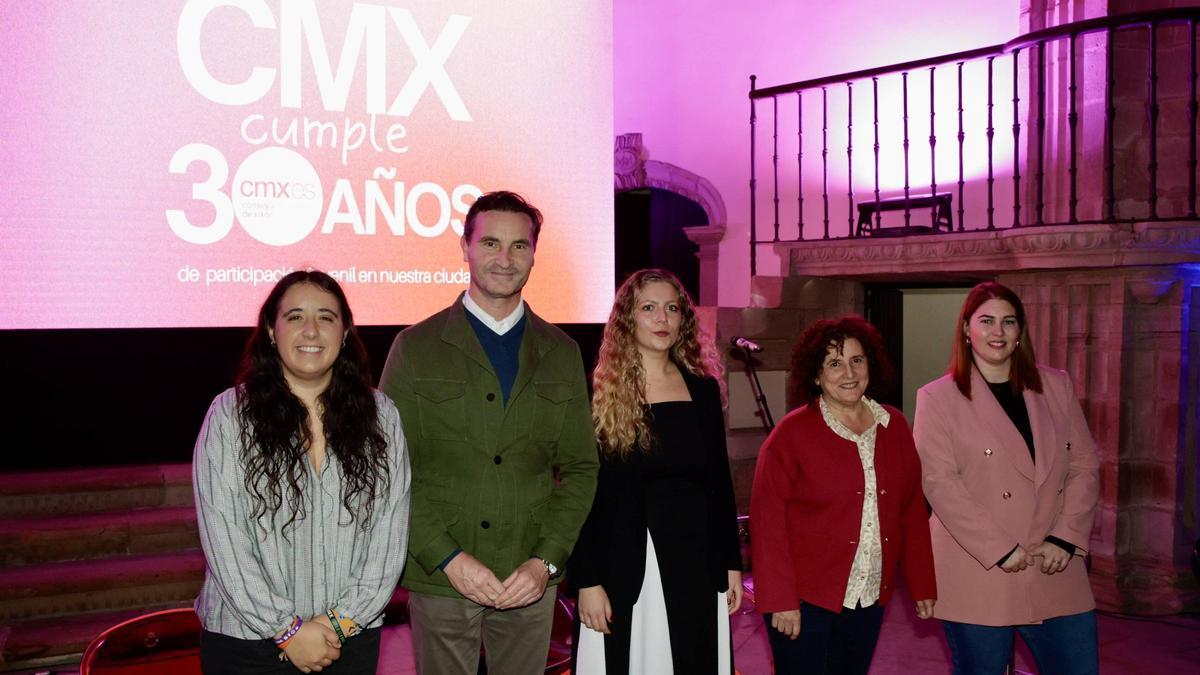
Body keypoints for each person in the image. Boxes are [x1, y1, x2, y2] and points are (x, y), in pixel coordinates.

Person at [378, 190, 598, 675]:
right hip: (442, 576)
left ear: (534, 254)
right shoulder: (414, 348)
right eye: (491, 243)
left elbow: (582, 469)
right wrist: (448, 558)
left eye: (519, 246)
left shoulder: (561, 352)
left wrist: (546, 561)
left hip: (529, 578)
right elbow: (390, 473)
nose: (505, 258)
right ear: (465, 248)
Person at [193, 270, 411, 674]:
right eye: (294, 316)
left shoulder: (382, 417)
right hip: (245, 643)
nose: (311, 330)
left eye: (326, 317)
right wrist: (287, 631)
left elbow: (389, 538)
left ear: (345, 332)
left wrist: (339, 624)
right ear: (271, 331)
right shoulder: (229, 415)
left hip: (346, 639)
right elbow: (224, 540)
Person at [913, 281, 1100, 675]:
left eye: (1008, 321)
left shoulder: (1056, 385)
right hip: (980, 566)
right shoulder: (937, 398)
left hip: (1054, 562)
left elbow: (1084, 465)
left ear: (1020, 332)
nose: (997, 332)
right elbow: (939, 483)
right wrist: (999, 548)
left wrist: (1065, 537)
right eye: (986, 321)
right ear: (966, 329)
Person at [567, 268, 742, 675]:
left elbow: (718, 483)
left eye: (672, 309)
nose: (663, 319)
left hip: (696, 561)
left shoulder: (702, 389)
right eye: (649, 308)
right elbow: (582, 494)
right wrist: (587, 580)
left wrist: (731, 563)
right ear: (628, 318)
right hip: (624, 564)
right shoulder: (598, 394)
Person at [751, 315, 936, 675]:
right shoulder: (791, 435)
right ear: (816, 375)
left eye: (856, 360)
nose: (848, 372)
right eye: (834, 363)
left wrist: (923, 583)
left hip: (869, 596)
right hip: (804, 601)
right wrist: (780, 600)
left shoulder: (894, 425)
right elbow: (767, 523)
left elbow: (912, 510)